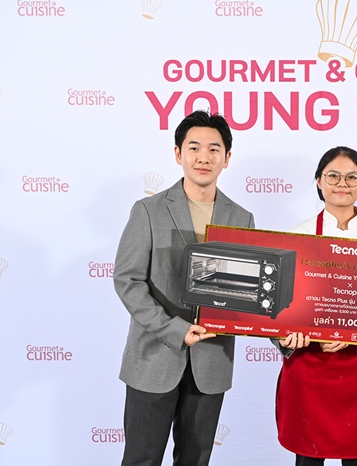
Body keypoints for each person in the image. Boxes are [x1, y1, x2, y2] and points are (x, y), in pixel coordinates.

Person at [113, 110, 255, 466]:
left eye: (214, 149)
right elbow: (128, 281)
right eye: (194, 148)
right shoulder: (148, 210)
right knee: (141, 460)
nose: (203, 157)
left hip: (211, 363)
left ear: (227, 158)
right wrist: (175, 329)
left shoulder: (242, 218)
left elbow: (250, 292)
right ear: (178, 154)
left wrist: (284, 336)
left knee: (195, 461)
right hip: (154, 357)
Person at [276, 146, 357, 466]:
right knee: (308, 458)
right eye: (333, 176)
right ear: (319, 181)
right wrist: (286, 336)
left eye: (351, 177)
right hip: (310, 366)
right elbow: (280, 307)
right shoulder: (297, 236)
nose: (342, 184)